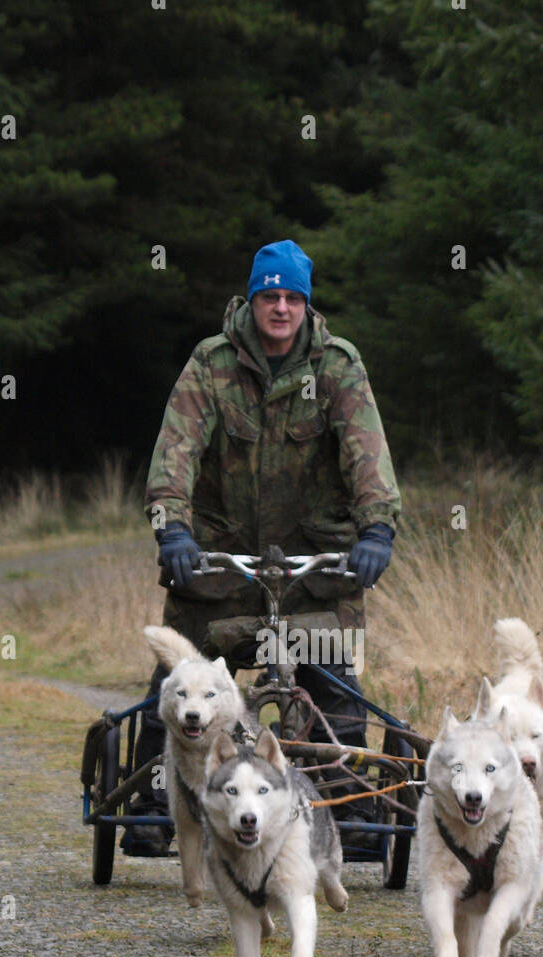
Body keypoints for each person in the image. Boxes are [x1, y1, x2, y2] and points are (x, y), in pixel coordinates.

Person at [125, 238, 401, 853]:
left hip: (316, 568)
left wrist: (377, 529)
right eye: (269, 296)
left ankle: (340, 806)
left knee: (333, 684)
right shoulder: (210, 364)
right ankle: (152, 799)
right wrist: (172, 528)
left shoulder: (338, 367)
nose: (280, 307)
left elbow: (368, 454)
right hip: (220, 568)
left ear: (305, 303)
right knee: (179, 679)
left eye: (291, 297)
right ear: (251, 300)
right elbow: (176, 451)